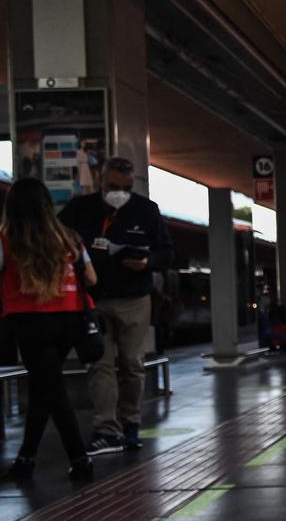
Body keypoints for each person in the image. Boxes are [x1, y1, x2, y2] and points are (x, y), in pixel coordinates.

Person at [57, 157, 172, 456]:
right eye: (112, 186)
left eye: (126, 188)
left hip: (135, 298)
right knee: (100, 365)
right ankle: (106, 429)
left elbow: (166, 252)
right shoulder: (79, 209)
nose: (119, 192)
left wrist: (147, 262)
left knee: (132, 365)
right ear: (100, 181)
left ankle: (130, 423)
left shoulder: (146, 211)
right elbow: (58, 241)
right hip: (94, 300)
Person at [1, 178, 97, 479]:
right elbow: (92, 278)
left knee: (52, 390)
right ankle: (26, 459)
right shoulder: (71, 238)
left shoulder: (7, 239)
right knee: (44, 387)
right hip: (70, 320)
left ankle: (80, 459)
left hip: (29, 321)